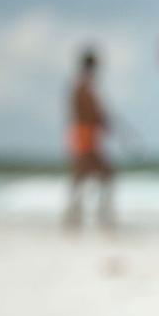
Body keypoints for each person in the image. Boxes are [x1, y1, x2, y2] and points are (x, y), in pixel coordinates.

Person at [64, 46, 114, 231]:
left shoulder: (85, 87)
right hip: (84, 134)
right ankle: (89, 214)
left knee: (84, 176)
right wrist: (101, 118)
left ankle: (77, 214)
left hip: (86, 134)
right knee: (90, 175)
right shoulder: (82, 88)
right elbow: (85, 112)